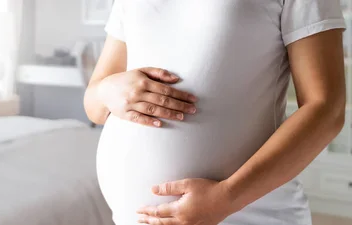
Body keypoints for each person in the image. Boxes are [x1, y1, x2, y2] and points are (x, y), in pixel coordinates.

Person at [84, 0, 347, 225]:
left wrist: (227, 197)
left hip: (247, 213)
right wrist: (108, 89)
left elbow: (326, 107)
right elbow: (94, 105)